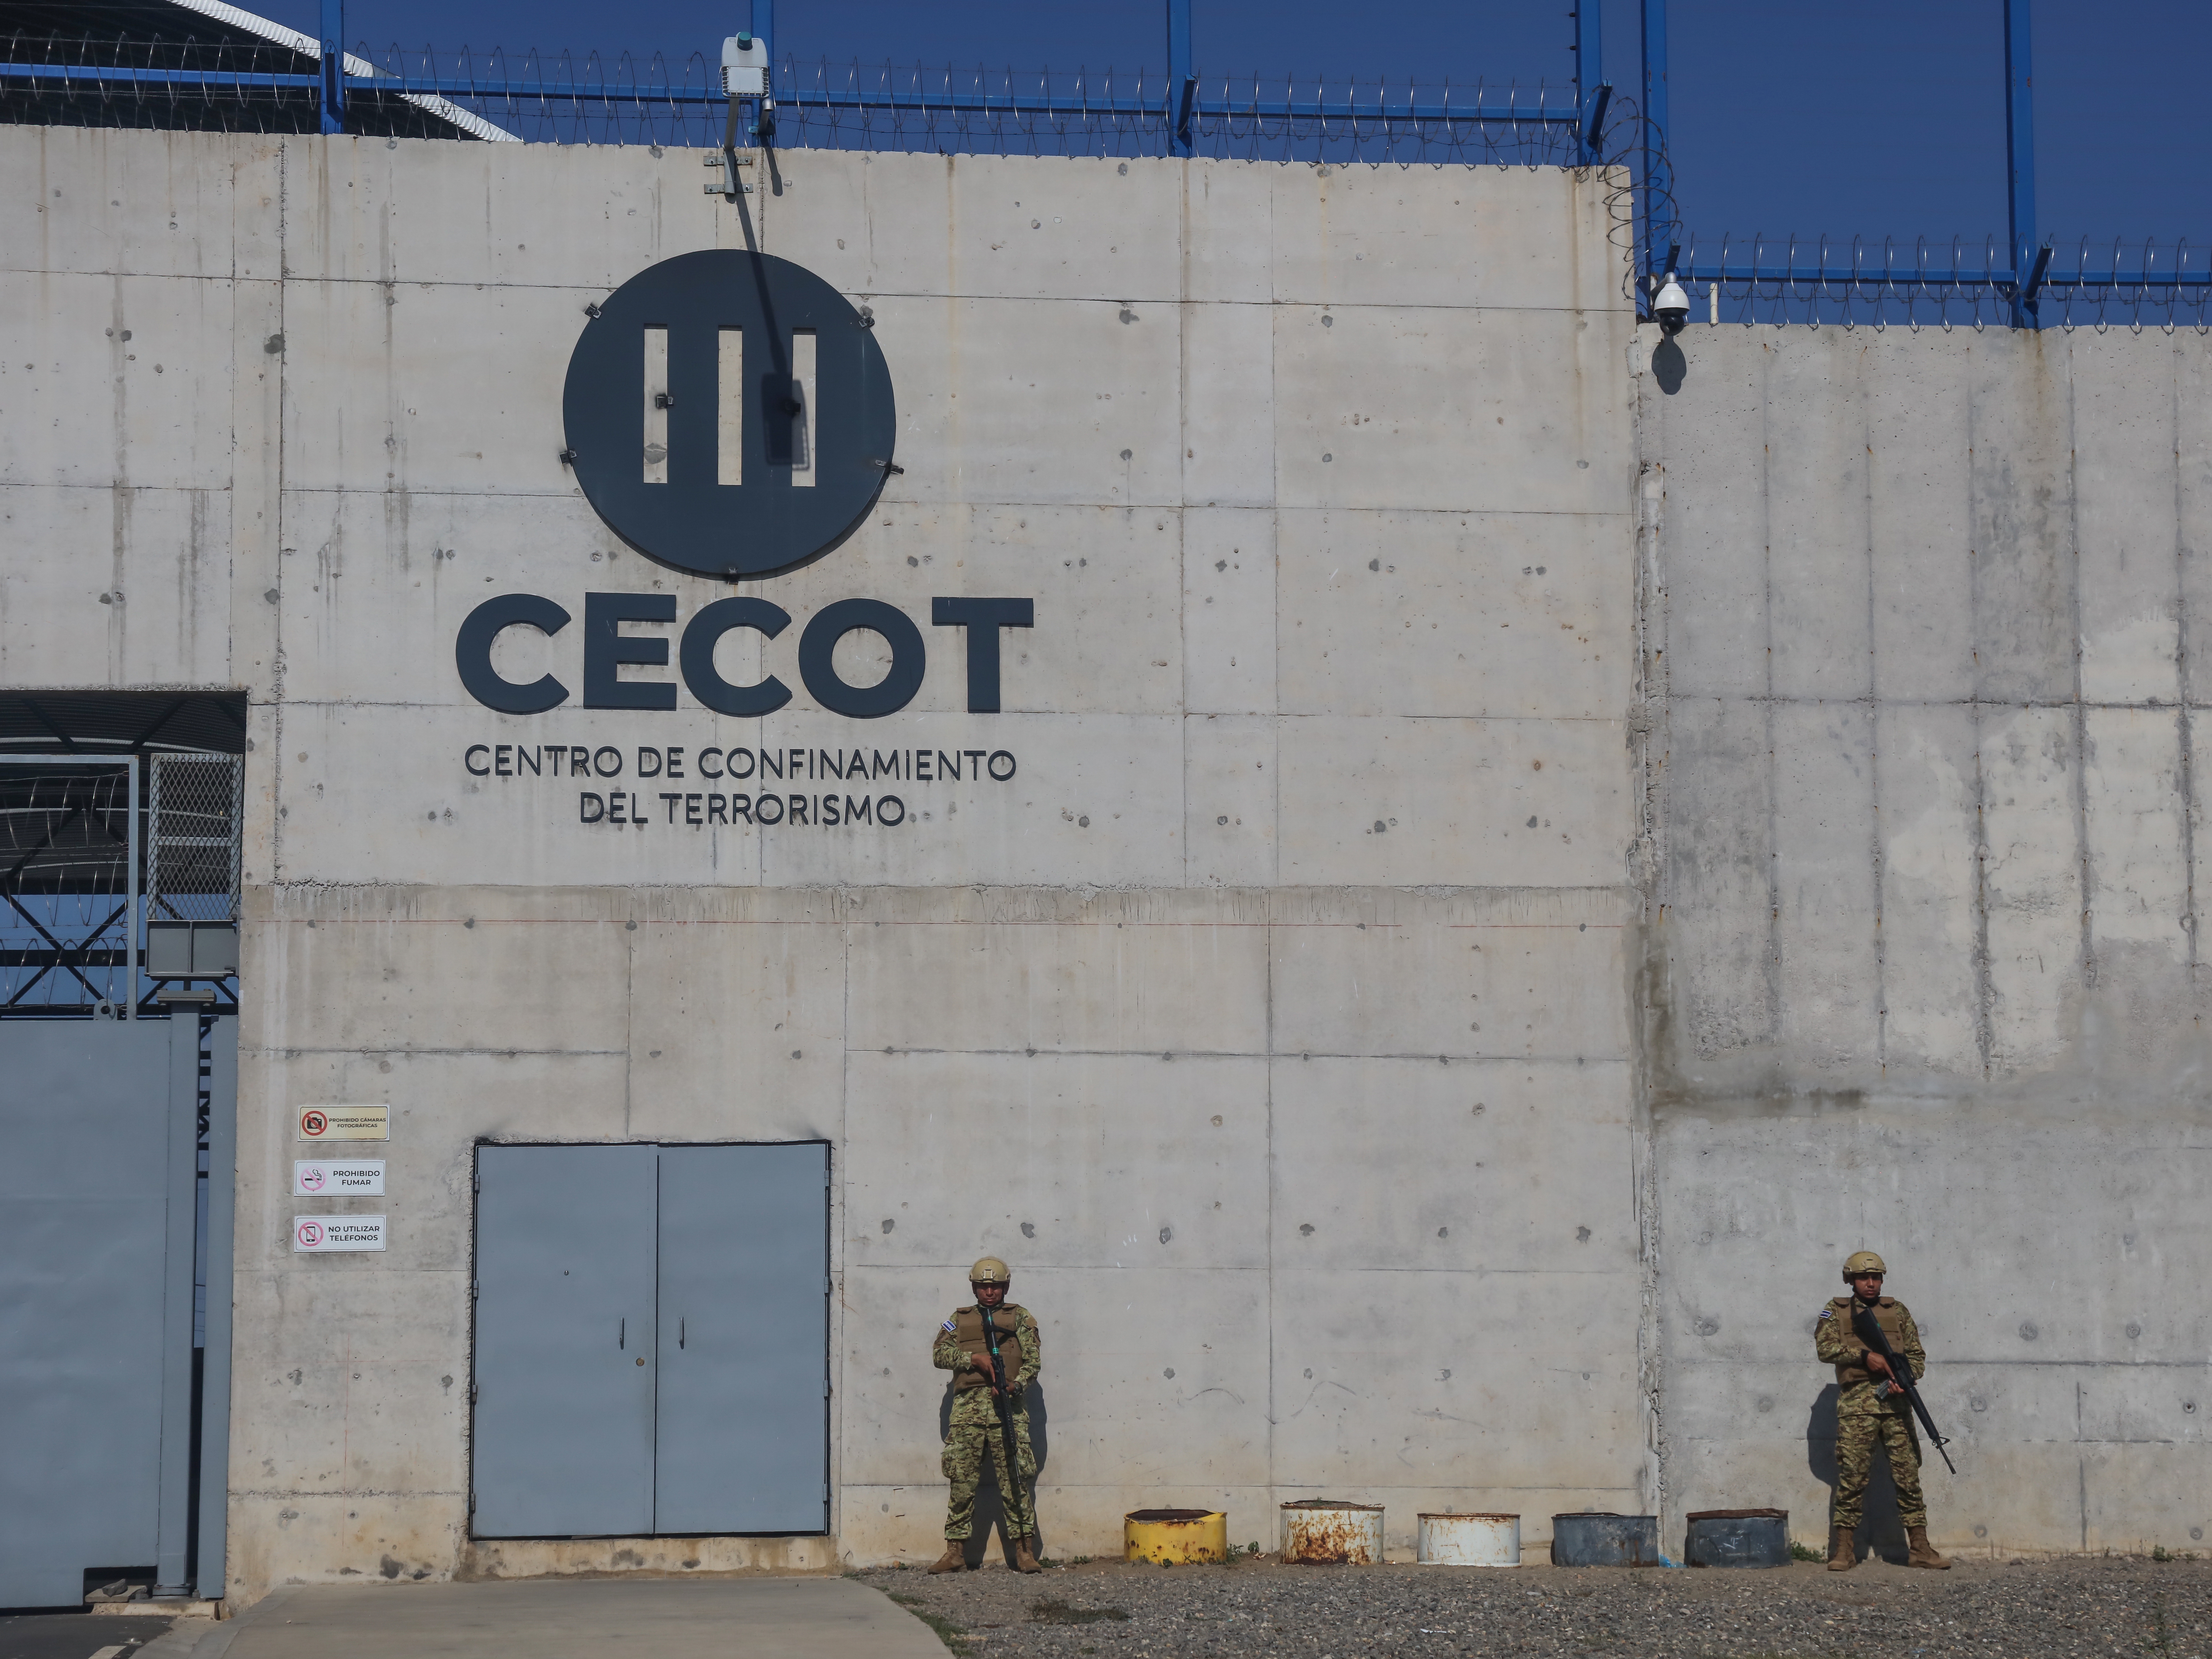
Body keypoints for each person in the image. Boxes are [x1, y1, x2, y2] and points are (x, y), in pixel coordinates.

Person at [1814, 1250, 1950, 1571]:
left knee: (1908, 1478)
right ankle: (1844, 1551)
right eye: (1864, 1278)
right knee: (1852, 1478)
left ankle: (1920, 1548)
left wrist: (1907, 1377)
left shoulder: (1897, 1311)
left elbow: (1916, 1354)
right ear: (1851, 1279)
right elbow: (1825, 1348)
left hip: (1897, 1406)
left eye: (1876, 1277)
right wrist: (1865, 1357)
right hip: (1857, 1408)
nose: (1872, 1283)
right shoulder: (1835, 1310)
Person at [927, 1256, 1042, 1574]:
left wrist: (1014, 1387)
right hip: (967, 1414)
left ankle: (1024, 1552)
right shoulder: (958, 1319)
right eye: (983, 1286)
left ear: (1005, 1287)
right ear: (974, 1288)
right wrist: (973, 1359)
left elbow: (1033, 1361)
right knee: (962, 1481)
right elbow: (939, 1354)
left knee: (1015, 1481)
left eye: (995, 1286)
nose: (989, 1292)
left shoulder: (1020, 1317)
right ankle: (955, 1553)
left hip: (1008, 1410)